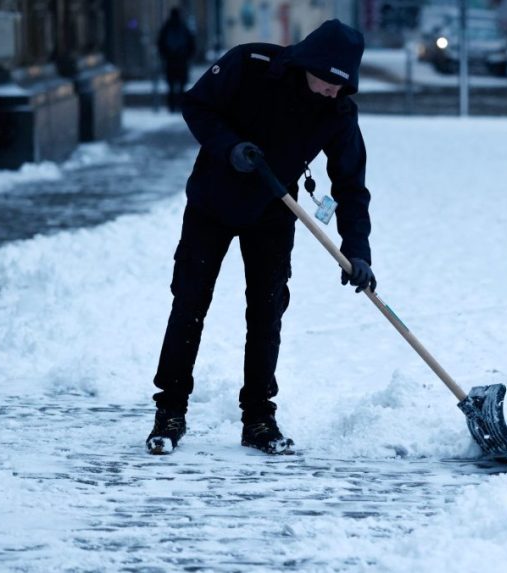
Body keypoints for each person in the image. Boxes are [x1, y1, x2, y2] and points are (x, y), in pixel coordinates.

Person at [145, 19, 377, 455]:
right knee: (190, 302)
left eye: (341, 87)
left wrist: (357, 250)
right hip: (212, 202)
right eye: (327, 81)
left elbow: (350, 184)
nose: (332, 91)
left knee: (267, 311)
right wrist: (231, 147)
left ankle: (258, 418)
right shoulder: (250, 64)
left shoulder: (339, 110)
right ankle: (170, 412)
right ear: (311, 62)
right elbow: (197, 105)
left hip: (272, 210)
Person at [157, 7, 196, 113]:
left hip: (170, 62)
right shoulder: (183, 27)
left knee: (171, 86)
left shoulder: (166, 27)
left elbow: (160, 44)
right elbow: (191, 44)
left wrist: (165, 56)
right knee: (181, 86)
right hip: (181, 61)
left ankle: (171, 106)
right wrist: (187, 56)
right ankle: (180, 105)